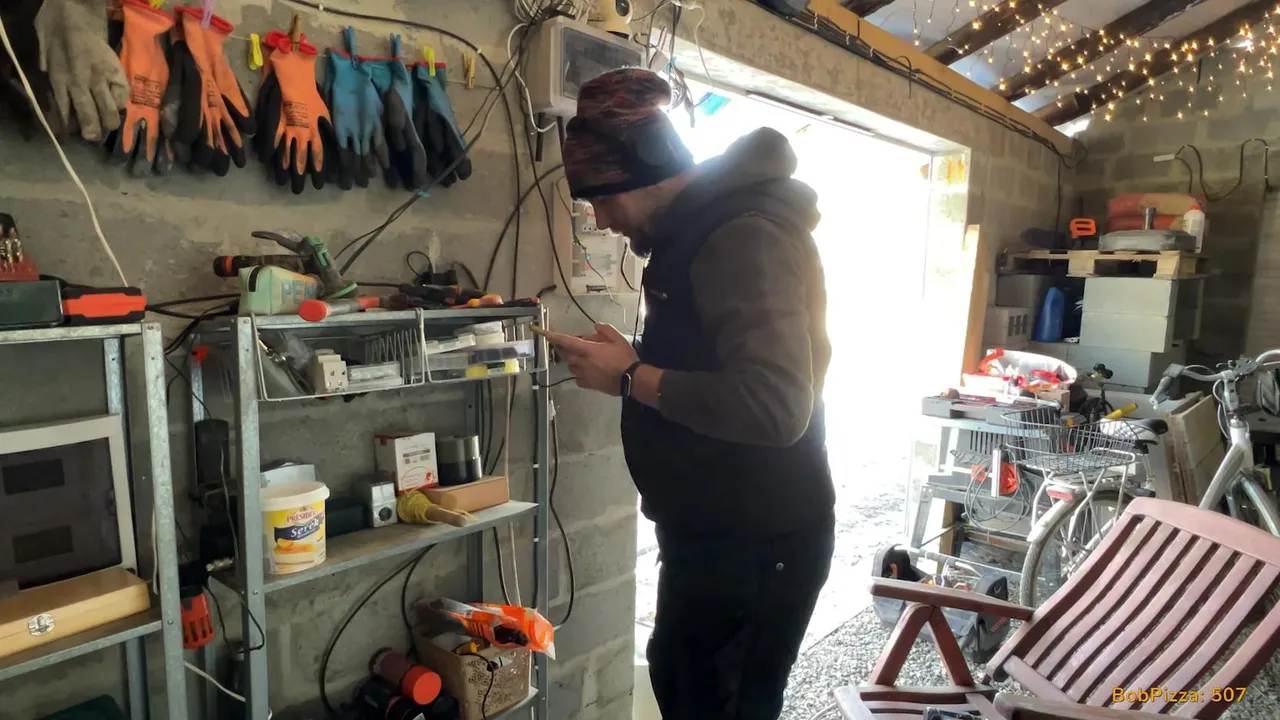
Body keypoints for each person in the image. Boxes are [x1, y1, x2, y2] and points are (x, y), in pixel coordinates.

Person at [544, 68, 835, 720]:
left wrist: (630, 377)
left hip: (756, 542)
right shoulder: (701, 232)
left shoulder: (741, 236)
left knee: (715, 703)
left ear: (642, 171)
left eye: (601, 197)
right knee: (684, 684)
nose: (600, 218)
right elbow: (719, 359)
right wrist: (636, 358)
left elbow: (776, 406)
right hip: (719, 534)